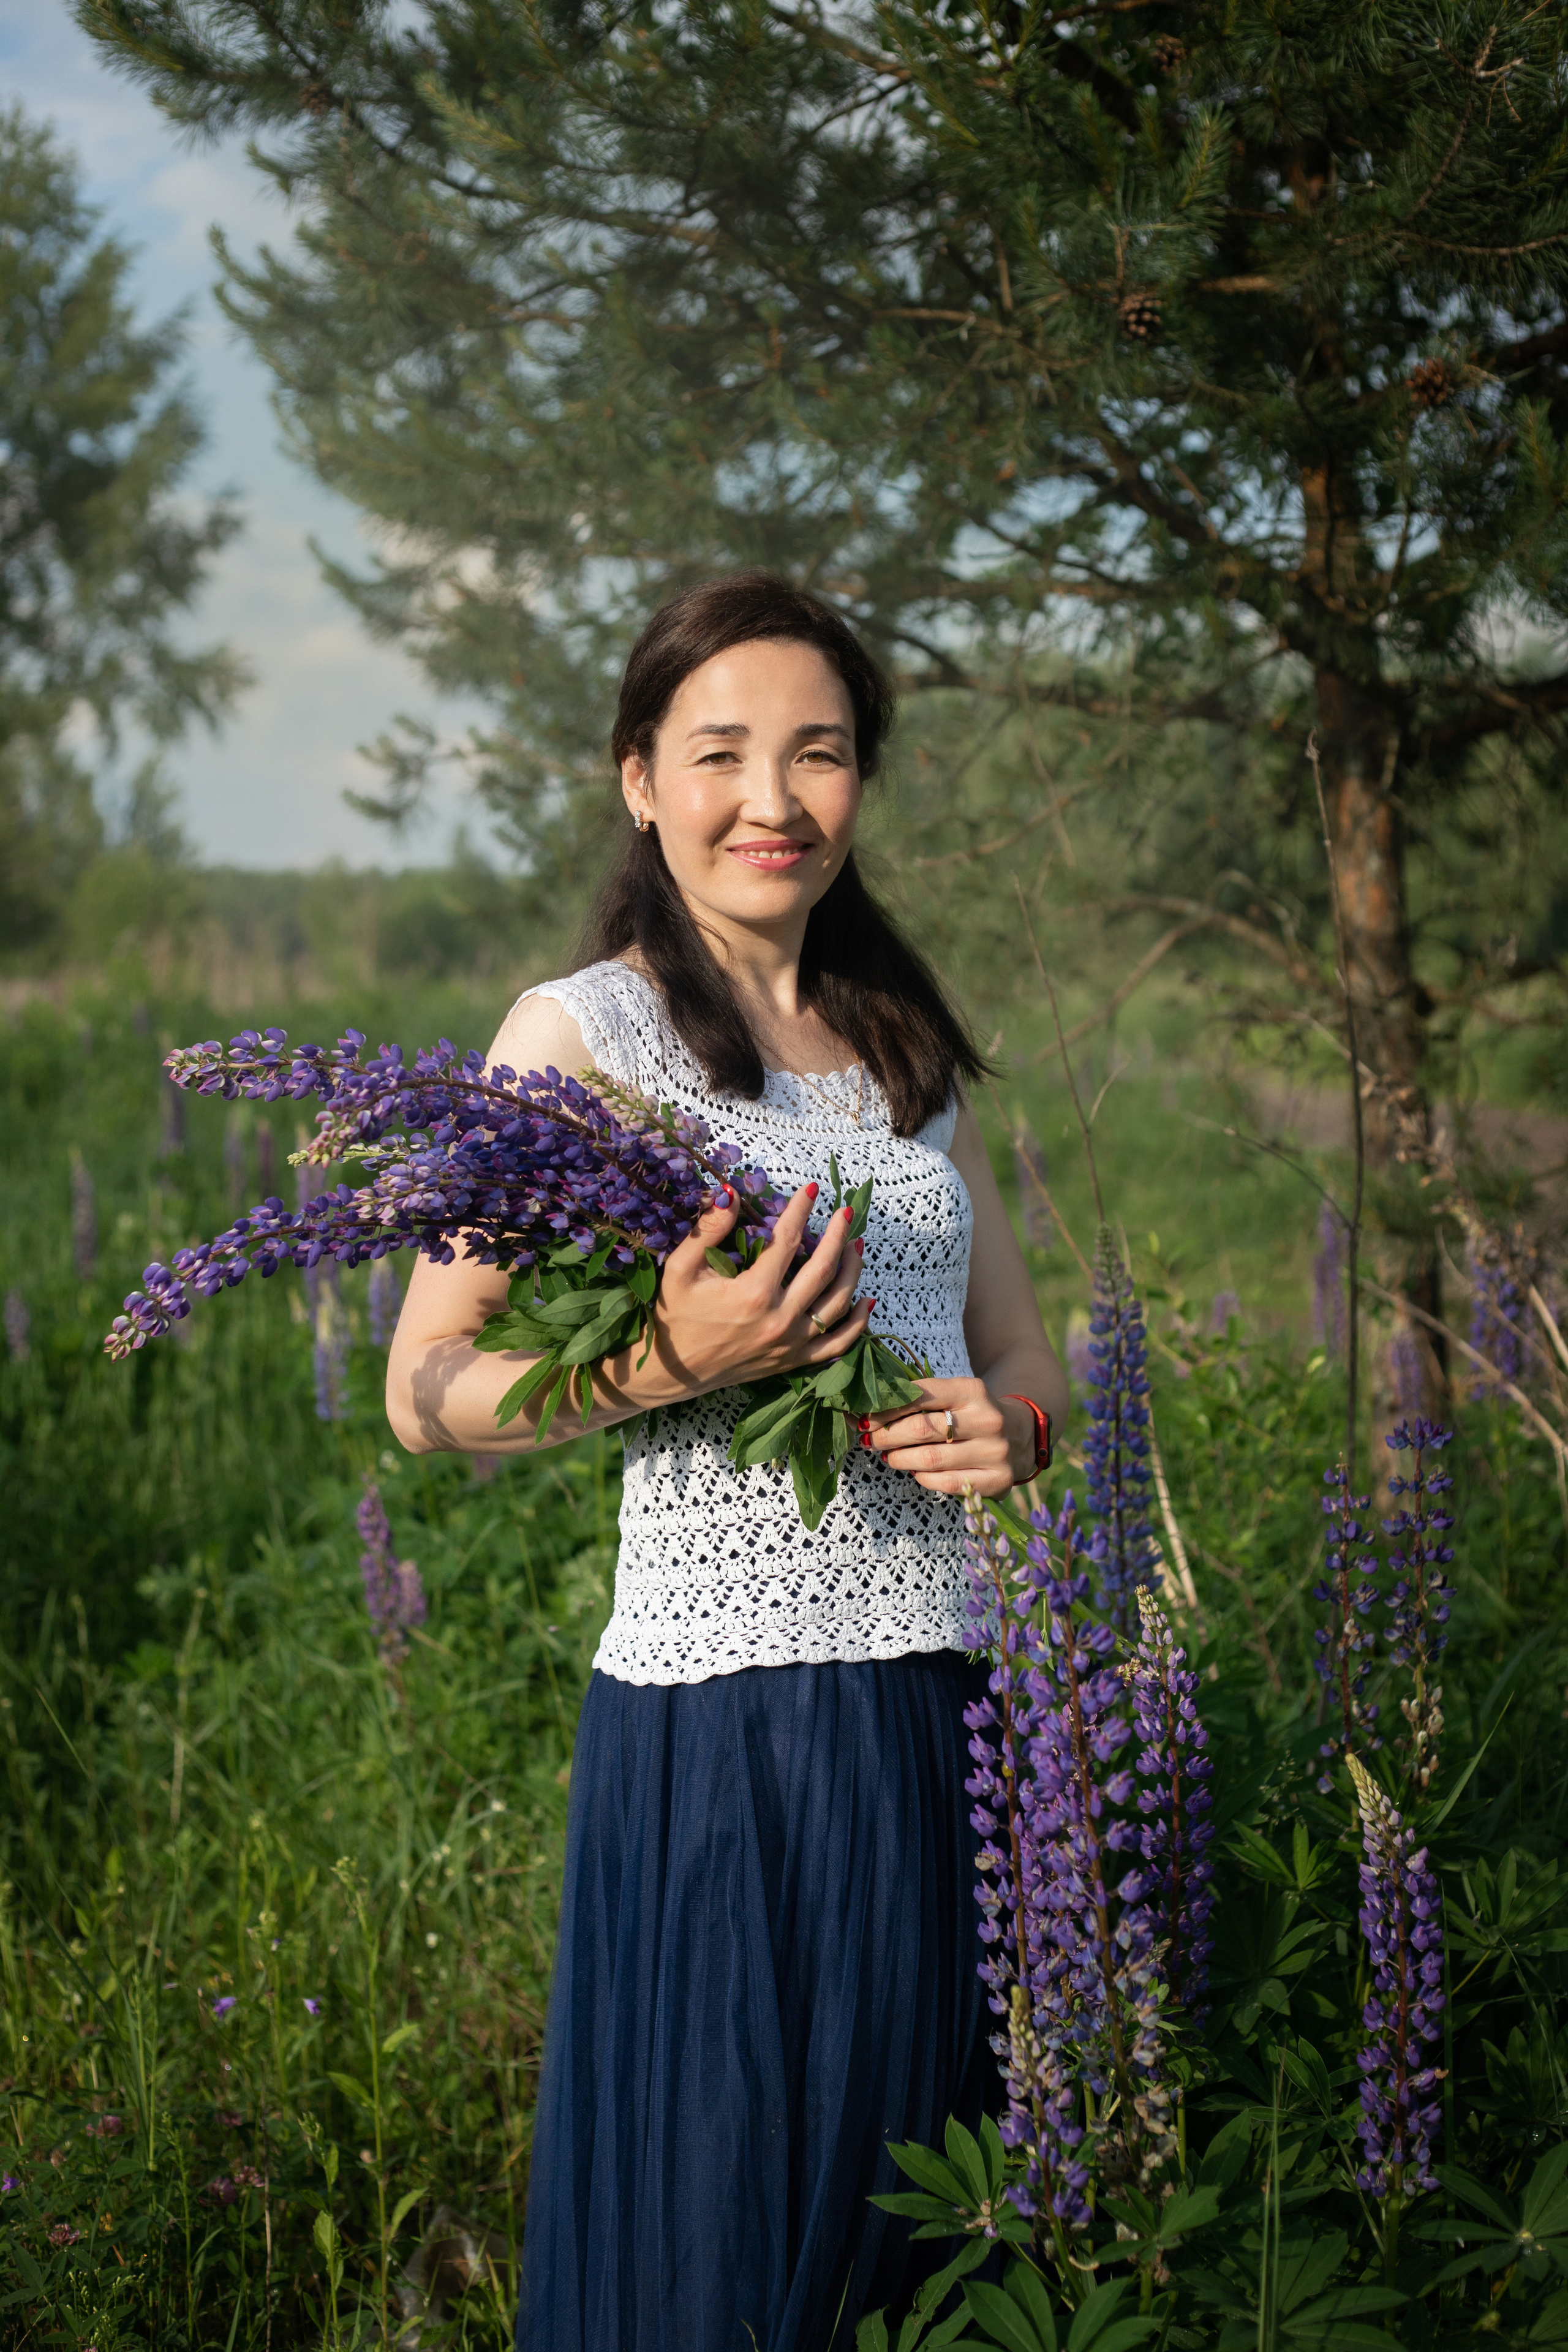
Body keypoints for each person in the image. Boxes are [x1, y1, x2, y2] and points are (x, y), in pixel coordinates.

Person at [386, 572, 1068, 2352]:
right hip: (727, 1722)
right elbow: (426, 1385)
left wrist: (1023, 1426)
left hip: (947, 1708)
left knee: (929, 2224)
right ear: (638, 780)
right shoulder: (580, 1036)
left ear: (861, 785)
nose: (773, 798)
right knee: (732, 2217)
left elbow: (1023, 1343)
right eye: (722, 752)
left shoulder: (900, 1050)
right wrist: (665, 1360)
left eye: (820, 753)